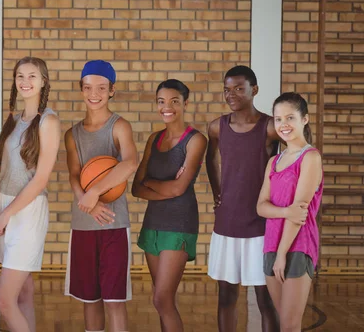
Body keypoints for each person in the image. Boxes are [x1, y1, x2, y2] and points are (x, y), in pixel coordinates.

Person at [0, 57, 60, 332]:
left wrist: (5, 215)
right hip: (3, 206)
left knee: (3, 301)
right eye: (20, 76)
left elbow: (40, 180)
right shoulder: (13, 120)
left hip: (26, 212)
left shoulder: (48, 122)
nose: (25, 82)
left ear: (43, 82)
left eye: (32, 76)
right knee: (23, 292)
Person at [64, 60, 138, 332]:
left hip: (113, 224)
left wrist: (94, 192)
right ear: (81, 89)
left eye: (101, 88)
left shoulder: (120, 126)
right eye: (88, 87)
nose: (94, 93)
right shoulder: (72, 134)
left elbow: (130, 163)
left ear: (111, 91)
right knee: (89, 298)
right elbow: (73, 174)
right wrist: (88, 205)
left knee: (114, 299)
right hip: (83, 224)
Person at [206, 65, 280, 331]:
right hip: (227, 224)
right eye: (227, 90)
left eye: (239, 88)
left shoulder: (270, 127)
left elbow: (298, 154)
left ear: (254, 90)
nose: (231, 94)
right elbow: (210, 157)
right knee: (226, 297)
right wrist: (217, 190)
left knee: (265, 299)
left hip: (260, 225)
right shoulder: (216, 127)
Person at [131, 79, 207, 332]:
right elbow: (136, 187)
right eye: (161, 102)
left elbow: (178, 189)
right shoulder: (154, 139)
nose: (167, 107)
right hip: (153, 223)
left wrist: (151, 184)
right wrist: (160, 186)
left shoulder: (196, 140)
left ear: (185, 104)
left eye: (174, 101)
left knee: (161, 299)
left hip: (180, 223)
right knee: (163, 299)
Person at [257, 92, 323, 332]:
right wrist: (285, 212)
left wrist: (283, 254)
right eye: (277, 119)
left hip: (296, 246)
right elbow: (260, 206)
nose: (283, 125)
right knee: (281, 322)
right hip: (271, 245)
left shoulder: (310, 157)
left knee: (289, 325)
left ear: (304, 119)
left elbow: (300, 214)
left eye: (290, 118)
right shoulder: (274, 161)